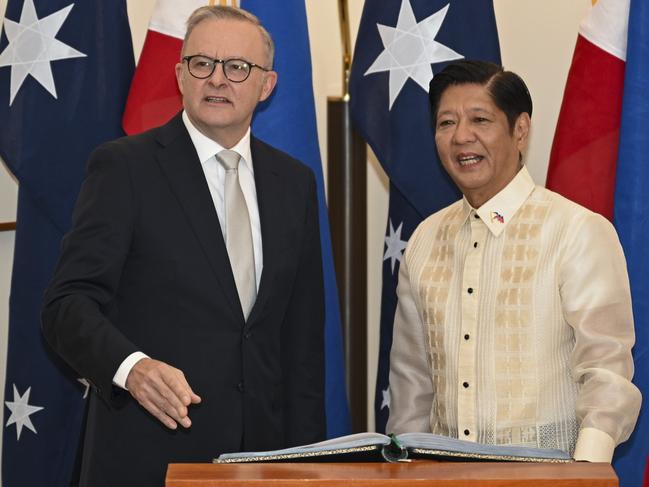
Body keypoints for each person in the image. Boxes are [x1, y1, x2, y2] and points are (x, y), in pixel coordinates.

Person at [41, 6, 325, 487]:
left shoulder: (293, 183)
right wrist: (131, 368)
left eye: (238, 67)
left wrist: (308, 466)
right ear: (179, 74)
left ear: (267, 85)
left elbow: (300, 345)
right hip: (149, 457)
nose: (218, 79)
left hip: (263, 462)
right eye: (201, 63)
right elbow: (66, 306)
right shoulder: (124, 168)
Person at [386, 60, 641, 462]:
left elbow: (605, 370)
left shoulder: (575, 231)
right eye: (446, 123)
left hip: (550, 476)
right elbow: (411, 385)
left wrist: (585, 470)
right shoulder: (424, 241)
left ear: (520, 129)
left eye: (480, 120)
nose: (461, 138)